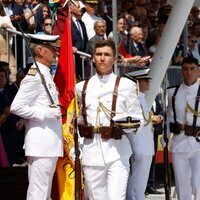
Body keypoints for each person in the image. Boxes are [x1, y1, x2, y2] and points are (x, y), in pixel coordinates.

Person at [76, 39, 143, 200]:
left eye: (107, 55)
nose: (102, 58)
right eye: (98, 54)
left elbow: (138, 118)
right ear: (92, 58)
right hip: (91, 151)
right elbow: (77, 119)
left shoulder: (126, 85)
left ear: (114, 59)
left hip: (117, 151)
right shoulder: (81, 87)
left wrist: (126, 123)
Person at [10, 35, 63, 200]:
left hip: (49, 143)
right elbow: (16, 106)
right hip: (41, 143)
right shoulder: (34, 76)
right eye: (51, 48)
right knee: (38, 192)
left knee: (44, 193)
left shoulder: (44, 74)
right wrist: (45, 114)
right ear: (40, 50)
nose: (55, 52)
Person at [161, 57, 200, 200]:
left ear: (198, 71)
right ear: (181, 71)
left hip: (198, 144)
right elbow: (169, 117)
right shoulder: (173, 92)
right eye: (185, 69)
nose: (188, 72)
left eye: (192, 69)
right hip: (178, 143)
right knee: (181, 185)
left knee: (197, 185)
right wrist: (165, 136)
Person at [125, 68, 154, 200]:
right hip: (139, 146)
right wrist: (137, 149)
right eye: (144, 80)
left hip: (146, 145)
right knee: (137, 179)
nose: (148, 83)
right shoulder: (134, 99)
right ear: (137, 83)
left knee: (141, 180)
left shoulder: (142, 98)